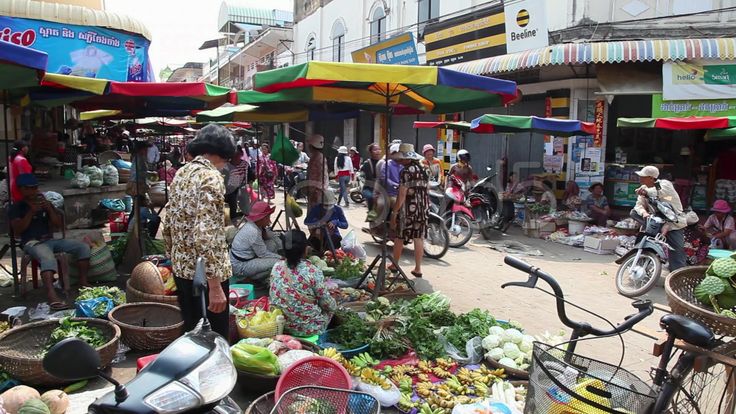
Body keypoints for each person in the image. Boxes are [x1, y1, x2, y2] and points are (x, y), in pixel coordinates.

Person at [162, 124, 236, 338]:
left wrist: (174, 259)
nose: (225, 165)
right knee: (214, 338)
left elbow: (168, 223)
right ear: (221, 153)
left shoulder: (182, 173)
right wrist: (214, 285)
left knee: (193, 335)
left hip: (182, 270)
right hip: (206, 275)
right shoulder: (210, 177)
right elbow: (205, 234)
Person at [9, 174, 91, 309]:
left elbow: (59, 225)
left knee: (83, 247)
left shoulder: (44, 203)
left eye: (35, 187)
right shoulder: (17, 207)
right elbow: (17, 230)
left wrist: (49, 209)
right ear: (22, 189)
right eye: (29, 188)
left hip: (50, 240)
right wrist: (30, 212)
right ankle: (51, 294)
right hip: (32, 242)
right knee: (48, 257)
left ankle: (83, 281)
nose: (33, 191)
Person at [269, 230, 337, 336]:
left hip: (280, 324)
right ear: (305, 249)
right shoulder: (312, 271)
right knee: (331, 308)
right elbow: (328, 305)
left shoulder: (276, 266)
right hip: (308, 329)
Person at [633, 165, 687, 272]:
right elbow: (638, 205)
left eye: (643, 176)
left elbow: (660, 193)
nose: (640, 179)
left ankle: (677, 275)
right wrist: (644, 213)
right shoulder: (643, 189)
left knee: (677, 249)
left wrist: (646, 193)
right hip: (655, 222)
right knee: (642, 242)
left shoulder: (664, 184)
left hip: (672, 223)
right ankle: (639, 267)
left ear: (652, 178)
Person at [389, 144, 429, 278]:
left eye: (401, 159)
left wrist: (394, 213)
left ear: (407, 158)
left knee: (399, 236)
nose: (399, 161)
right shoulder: (424, 168)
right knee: (418, 237)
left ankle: (395, 264)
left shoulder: (406, 171)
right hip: (423, 208)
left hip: (408, 209)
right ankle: (418, 268)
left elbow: (402, 195)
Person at [230, 201, 282, 286]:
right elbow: (263, 254)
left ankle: (259, 274)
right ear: (262, 218)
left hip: (246, 257)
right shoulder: (253, 231)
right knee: (278, 263)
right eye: (268, 217)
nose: (270, 220)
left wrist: (281, 246)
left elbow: (272, 236)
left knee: (272, 244)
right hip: (241, 266)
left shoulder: (255, 225)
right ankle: (250, 278)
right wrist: (282, 258)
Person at [305, 190, 348, 254]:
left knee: (332, 249)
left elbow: (345, 225)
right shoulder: (317, 208)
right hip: (318, 236)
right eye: (325, 205)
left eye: (330, 205)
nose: (328, 207)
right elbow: (307, 221)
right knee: (312, 247)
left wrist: (335, 222)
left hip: (333, 236)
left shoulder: (338, 209)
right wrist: (318, 222)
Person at [223, 149, 249, 221]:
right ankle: (233, 218)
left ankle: (244, 215)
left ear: (241, 154)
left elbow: (249, 176)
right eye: (235, 155)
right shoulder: (227, 165)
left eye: (238, 154)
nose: (236, 157)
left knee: (245, 200)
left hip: (241, 186)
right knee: (232, 202)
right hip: (230, 188)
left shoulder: (245, 164)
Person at [306, 134, 329, 209]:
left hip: (317, 191)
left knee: (315, 213)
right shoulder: (316, 157)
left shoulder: (318, 158)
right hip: (315, 190)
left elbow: (321, 176)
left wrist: (315, 191)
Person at [360, 143, 382, 210]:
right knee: (371, 198)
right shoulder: (367, 163)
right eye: (375, 150)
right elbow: (369, 178)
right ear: (370, 152)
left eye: (379, 149)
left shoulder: (383, 162)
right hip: (369, 188)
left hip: (380, 187)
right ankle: (371, 215)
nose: (378, 151)